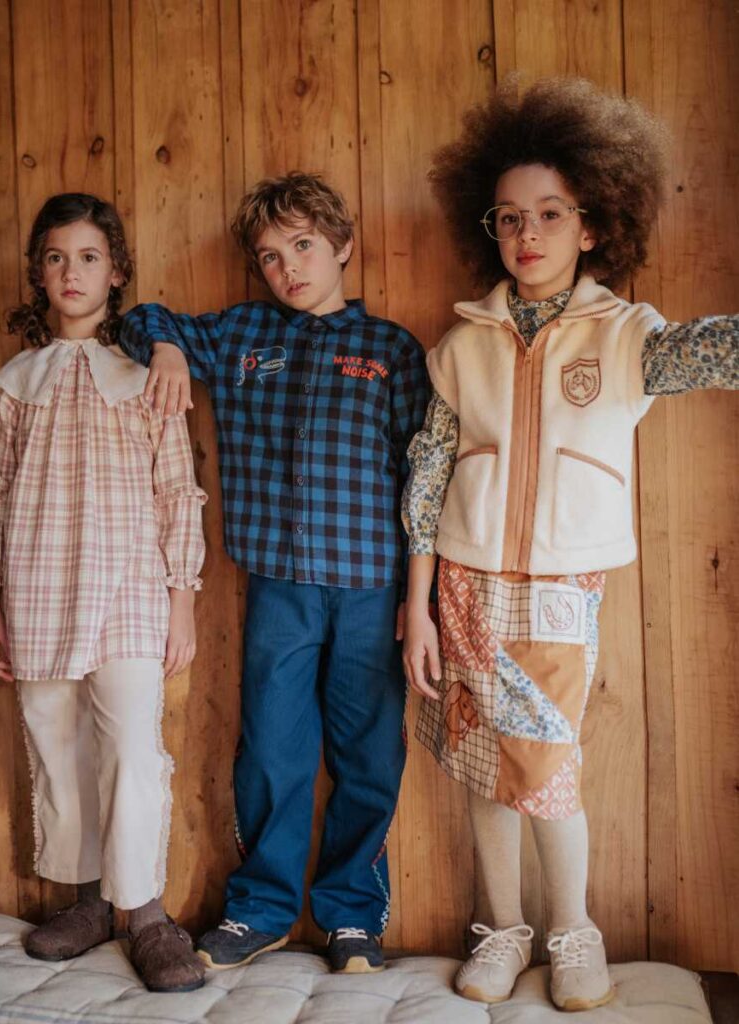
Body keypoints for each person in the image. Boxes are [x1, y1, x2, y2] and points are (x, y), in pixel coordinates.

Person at [401, 78, 738, 1012]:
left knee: (543, 766)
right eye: (508, 218)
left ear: (591, 225)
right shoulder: (460, 344)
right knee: (480, 761)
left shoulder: (627, 335)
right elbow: (428, 474)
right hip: (462, 581)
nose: (527, 234)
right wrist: (416, 602)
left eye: (549, 214)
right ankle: (500, 930)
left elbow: (716, 350)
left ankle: (571, 932)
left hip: (559, 587)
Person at [119, 172, 430, 974]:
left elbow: (425, 476)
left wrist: (419, 598)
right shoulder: (241, 336)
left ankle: (353, 917)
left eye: (302, 246)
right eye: (269, 256)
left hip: (371, 585)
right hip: (279, 584)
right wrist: (163, 345)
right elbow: (143, 318)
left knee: (367, 755)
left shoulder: (390, 349)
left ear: (342, 248)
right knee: (271, 751)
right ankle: (260, 909)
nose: (288, 266)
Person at [0, 193, 207, 993]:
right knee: (55, 739)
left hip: (131, 587)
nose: (73, 272)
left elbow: (179, 490)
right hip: (36, 584)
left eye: (90, 257)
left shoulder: (147, 377)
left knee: (134, 748)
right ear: (39, 273)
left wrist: (183, 598)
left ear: (117, 273)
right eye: (58, 258)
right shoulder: (15, 383)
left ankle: (143, 911)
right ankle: (84, 899)